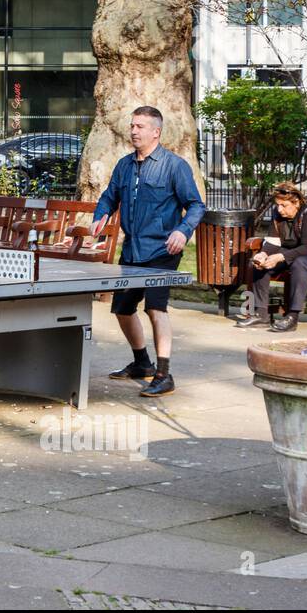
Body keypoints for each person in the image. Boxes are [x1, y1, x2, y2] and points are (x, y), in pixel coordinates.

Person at [91, 106, 205, 398]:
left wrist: (182, 230)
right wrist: (101, 214)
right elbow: (108, 196)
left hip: (163, 248)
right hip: (133, 247)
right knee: (122, 309)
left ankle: (164, 374)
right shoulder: (125, 165)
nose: (133, 131)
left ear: (156, 131)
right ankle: (142, 363)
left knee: (156, 307)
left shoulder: (174, 165)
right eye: (132, 126)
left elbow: (195, 205)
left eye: (140, 126)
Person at [237, 182, 307, 333]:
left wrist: (280, 256)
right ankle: (261, 314)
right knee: (258, 263)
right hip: (294, 253)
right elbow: (273, 241)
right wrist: (264, 253)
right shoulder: (278, 214)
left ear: (296, 202)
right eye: (278, 205)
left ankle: (292, 317)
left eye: (284, 205)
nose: (279, 209)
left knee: (300, 263)